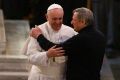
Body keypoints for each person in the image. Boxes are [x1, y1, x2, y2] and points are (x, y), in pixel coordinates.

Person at [30, 7, 106, 80]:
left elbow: (56, 49)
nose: (71, 22)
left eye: (74, 20)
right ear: (47, 17)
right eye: (54, 19)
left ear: (83, 22)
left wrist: (39, 36)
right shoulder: (100, 36)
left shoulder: (81, 38)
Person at [26, 4, 77, 80]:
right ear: (47, 17)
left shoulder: (71, 32)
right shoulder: (38, 31)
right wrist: (47, 54)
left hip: (61, 77)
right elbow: (30, 57)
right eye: (54, 19)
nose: (57, 22)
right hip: (41, 76)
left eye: (60, 19)